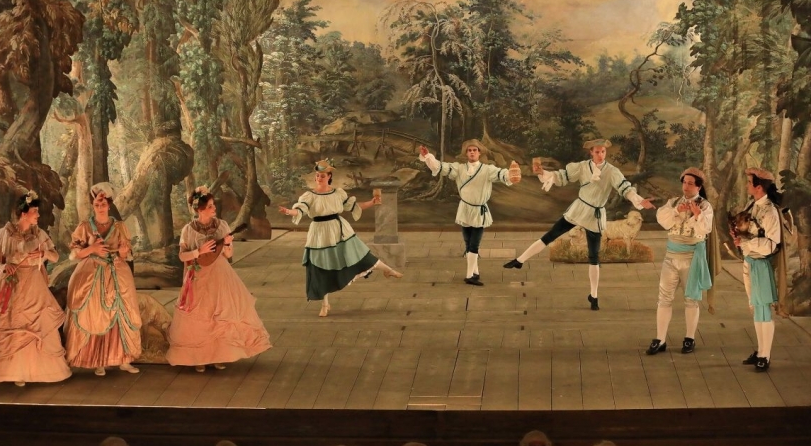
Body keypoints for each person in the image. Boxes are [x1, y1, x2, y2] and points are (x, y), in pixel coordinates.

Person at [504, 139, 654, 309]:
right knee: (551, 235)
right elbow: (561, 176)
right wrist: (543, 172)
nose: (600, 155)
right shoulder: (582, 167)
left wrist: (639, 200)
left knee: (594, 257)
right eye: (597, 152)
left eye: (603, 152)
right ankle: (520, 260)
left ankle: (594, 296)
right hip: (579, 209)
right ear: (591, 152)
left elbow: (625, 188)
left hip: (595, 216)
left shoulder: (612, 171)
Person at [279, 160, 403, 317]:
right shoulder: (309, 196)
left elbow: (353, 206)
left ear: (329, 176)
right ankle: (325, 304)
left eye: (322, 175)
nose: (319, 178)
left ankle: (388, 270)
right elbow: (300, 210)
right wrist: (289, 212)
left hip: (339, 230)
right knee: (321, 267)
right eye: (317, 175)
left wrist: (371, 203)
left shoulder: (338, 193)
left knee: (360, 254)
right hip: (319, 233)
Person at [0, 191, 71, 387]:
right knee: (11, 323)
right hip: (11, 282)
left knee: (34, 324)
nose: (38, 215)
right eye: (35, 211)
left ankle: (31, 371)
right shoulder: (5, 233)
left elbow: (54, 256)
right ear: (24, 213)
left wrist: (42, 253)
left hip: (33, 284)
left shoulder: (39, 234)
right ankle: (11, 371)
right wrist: (2, 266)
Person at [167, 187, 272, 372]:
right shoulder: (188, 230)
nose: (214, 208)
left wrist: (228, 244)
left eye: (213, 205)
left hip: (220, 275)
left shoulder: (222, 225)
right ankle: (199, 357)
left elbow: (228, 255)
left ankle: (218, 355)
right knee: (201, 317)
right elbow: (182, 256)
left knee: (220, 316)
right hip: (199, 277)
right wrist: (199, 251)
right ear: (199, 209)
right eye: (209, 206)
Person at [418, 140, 521, 287]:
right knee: (468, 243)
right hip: (465, 209)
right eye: (469, 150)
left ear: (479, 153)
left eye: (475, 150)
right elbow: (440, 167)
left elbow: (502, 174)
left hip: (479, 211)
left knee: (474, 244)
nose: (472, 152)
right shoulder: (459, 169)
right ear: (466, 153)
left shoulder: (487, 169)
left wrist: (511, 174)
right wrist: (427, 156)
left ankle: (469, 276)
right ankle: (475, 273)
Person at [64, 182, 142, 376]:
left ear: (109, 205)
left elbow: (126, 254)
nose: (100, 207)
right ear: (93, 205)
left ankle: (123, 359)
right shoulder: (85, 227)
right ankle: (97, 360)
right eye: (97, 204)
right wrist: (92, 249)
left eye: (103, 204)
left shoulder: (119, 226)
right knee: (94, 314)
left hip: (116, 273)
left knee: (121, 312)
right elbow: (75, 253)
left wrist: (123, 252)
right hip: (92, 273)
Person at [646, 167, 713, 355]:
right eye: (684, 182)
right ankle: (660, 339)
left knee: (691, 299)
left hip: (691, 258)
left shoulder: (705, 206)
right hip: (671, 257)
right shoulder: (674, 202)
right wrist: (676, 211)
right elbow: (663, 220)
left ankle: (689, 338)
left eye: (690, 183)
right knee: (664, 298)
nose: (686, 186)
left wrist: (697, 214)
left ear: (698, 187)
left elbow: (705, 229)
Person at [732, 167, 782, 372]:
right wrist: (739, 237)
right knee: (755, 307)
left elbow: (772, 244)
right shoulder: (752, 205)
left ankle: (765, 356)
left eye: (749, 182)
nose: (747, 185)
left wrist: (747, 243)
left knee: (763, 309)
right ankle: (760, 350)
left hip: (761, 264)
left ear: (759, 187)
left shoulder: (770, 211)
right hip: (750, 262)